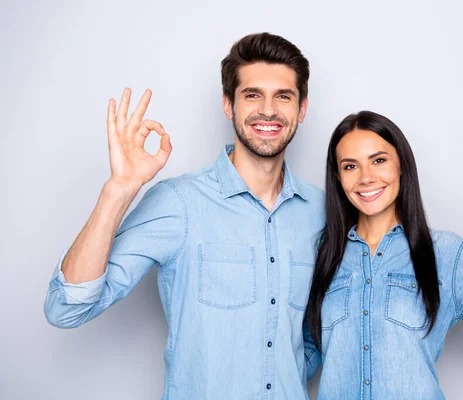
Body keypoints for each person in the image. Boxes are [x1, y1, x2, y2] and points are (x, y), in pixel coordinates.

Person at [44, 33, 325, 399]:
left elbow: (319, 331)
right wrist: (120, 189)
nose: (268, 110)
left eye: (283, 96)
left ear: (302, 109)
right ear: (228, 105)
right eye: (252, 95)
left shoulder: (320, 212)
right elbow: (65, 309)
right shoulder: (178, 203)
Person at [304, 111, 463, 399]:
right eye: (350, 166)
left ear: (402, 166)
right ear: (338, 177)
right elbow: (304, 357)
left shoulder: (447, 255)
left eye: (379, 161)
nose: (366, 178)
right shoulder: (320, 255)